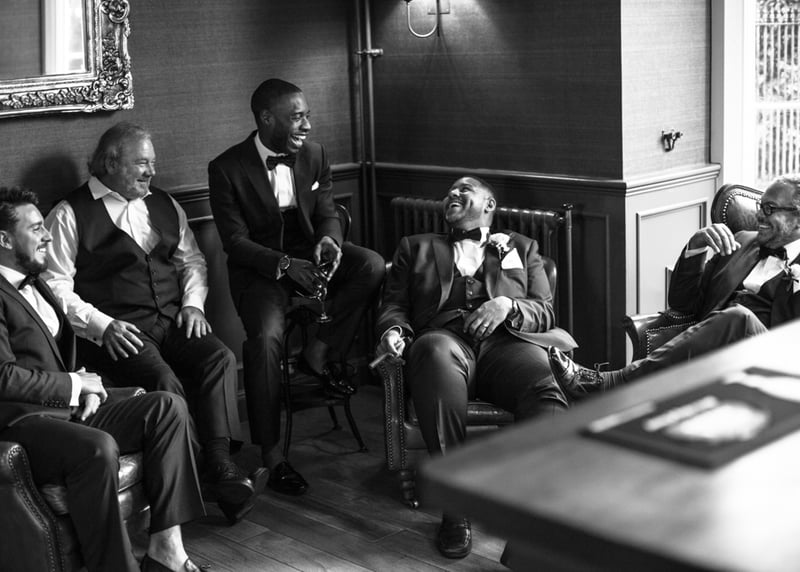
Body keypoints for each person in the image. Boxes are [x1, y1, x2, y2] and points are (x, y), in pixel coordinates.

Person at [43, 122, 262, 524]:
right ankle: (206, 473)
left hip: (172, 320)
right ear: (111, 163)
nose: (151, 172)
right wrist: (102, 325)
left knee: (219, 358)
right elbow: (55, 286)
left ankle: (217, 463)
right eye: (142, 163)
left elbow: (191, 260)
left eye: (152, 163)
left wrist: (193, 306)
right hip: (117, 332)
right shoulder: (69, 213)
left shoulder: (165, 203)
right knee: (162, 378)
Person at [0, 187, 205, 572]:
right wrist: (75, 387)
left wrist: (82, 387)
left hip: (64, 409)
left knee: (166, 406)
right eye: (36, 228)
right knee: (99, 447)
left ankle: (167, 549)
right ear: (5, 239)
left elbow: (48, 355)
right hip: (21, 422)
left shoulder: (36, 281)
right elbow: (2, 376)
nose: (47, 237)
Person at [375, 176, 577, 558]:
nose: (452, 193)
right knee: (433, 351)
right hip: (445, 341)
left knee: (545, 384)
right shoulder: (415, 247)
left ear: (489, 204)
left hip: (507, 346)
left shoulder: (522, 247)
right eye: (449, 191)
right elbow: (394, 305)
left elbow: (545, 310)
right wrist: (393, 331)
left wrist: (508, 305)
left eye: (464, 189)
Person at [208, 78, 385, 496]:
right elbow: (235, 242)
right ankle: (272, 454)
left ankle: (319, 350)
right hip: (260, 271)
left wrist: (330, 240)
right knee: (265, 338)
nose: (306, 125)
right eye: (296, 117)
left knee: (371, 265)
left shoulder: (315, 154)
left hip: (311, 256)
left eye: (307, 115)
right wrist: (285, 265)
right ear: (267, 118)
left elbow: (327, 211)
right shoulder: (226, 168)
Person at [549, 175, 800, 399]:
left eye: (770, 209)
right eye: (760, 206)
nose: (760, 215)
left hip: (775, 364)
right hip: (710, 356)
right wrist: (696, 246)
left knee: (739, 317)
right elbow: (682, 304)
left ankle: (612, 382)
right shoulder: (742, 241)